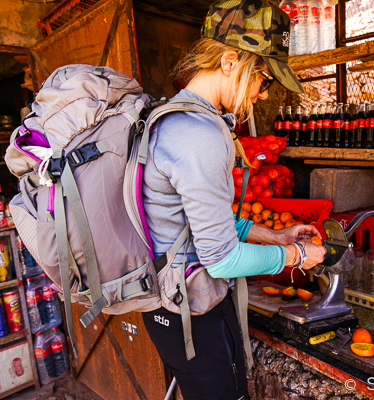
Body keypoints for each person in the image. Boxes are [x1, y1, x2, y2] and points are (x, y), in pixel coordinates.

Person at [141, 1, 327, 399]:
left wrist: (276, 236)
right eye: (264, 78)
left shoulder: (180, 120)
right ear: (229, 62)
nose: (262, 94)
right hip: (188, 310)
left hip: (183, 300)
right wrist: (295, 256)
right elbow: (222, 258)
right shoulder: (197, 134)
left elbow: (203, 225)